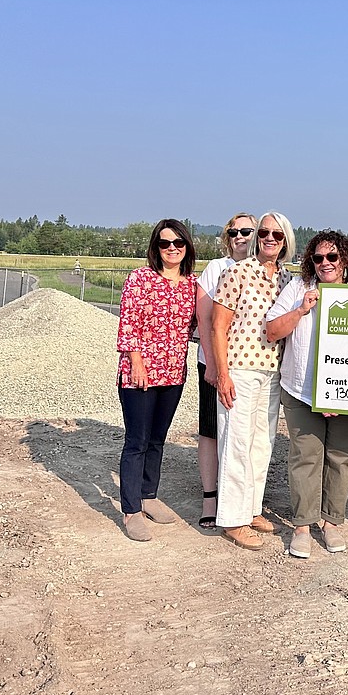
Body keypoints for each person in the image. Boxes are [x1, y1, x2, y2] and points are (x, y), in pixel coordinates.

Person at [266, 231, 348, 558]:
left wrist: (341, 394)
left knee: (341, 458)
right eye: (318, 258)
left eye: (333, 257)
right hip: (300, 390)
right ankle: (302, 525)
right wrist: (300, 310)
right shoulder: (297, 289)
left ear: (345, 261)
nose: (325, 263)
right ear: (311, 260)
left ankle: (331, 521)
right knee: (305, 457)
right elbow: (271, 331)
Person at [209, 212, 295, 550]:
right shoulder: (237, 272)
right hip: (241, 369)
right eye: (264, 233)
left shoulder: (288, 280)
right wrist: (222, 373)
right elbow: (218, 327)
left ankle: (252, 508)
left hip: (273, 371)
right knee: (236, 443)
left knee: (262, 444)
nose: (269, 239)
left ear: (286, 240)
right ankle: (232, 518)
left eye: (276, 234)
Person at [115, 219, 198, 542]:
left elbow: (200, 326)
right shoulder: (140, 279)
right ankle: (131, 511)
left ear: (187, 247)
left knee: (158, 439)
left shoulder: (192, 284)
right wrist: (135, 362)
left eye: (179, 243)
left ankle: (149, 495)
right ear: (156, 248)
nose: (172, 249)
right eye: (166, 244)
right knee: (137, 440)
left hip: (174, 373)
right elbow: (128, 324)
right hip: (140, 374)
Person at [194, 214, 256, 529]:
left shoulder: (265, 271)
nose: (240, 236)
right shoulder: (217, 269)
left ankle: (245, 498)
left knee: (245, 434)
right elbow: (205, 319)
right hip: (216, 363)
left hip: (250, 368)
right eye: (234, 231)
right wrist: (214, 365)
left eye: (248, 231)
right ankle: (210, 496)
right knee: (210, 430)